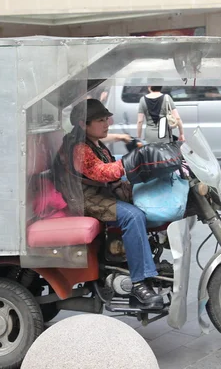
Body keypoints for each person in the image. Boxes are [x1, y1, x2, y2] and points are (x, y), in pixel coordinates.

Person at [53, 98, 163, 307]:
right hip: (84, 199)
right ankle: (139, 283)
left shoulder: (93, 142)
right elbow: (102, 172)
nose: (107, 124)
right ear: (82, 124)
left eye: (106, 119)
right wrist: (135, 159)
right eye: (101, 120)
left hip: (97, 192)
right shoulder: (78, 148)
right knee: (133, 216)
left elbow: (109, 166)